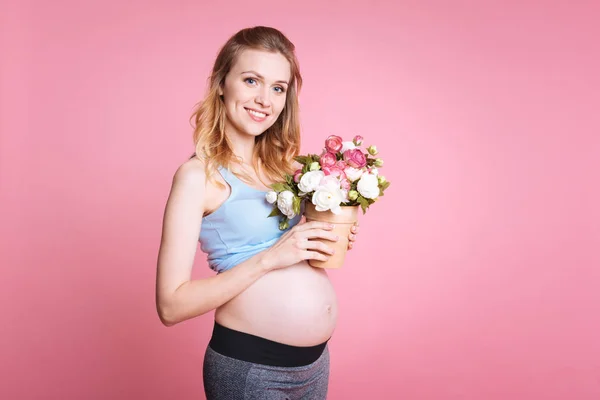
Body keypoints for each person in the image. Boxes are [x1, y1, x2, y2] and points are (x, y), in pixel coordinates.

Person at [155, 26, 360, 400]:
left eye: (278, 88)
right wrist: (272, 258)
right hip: (253, 369)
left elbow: (298, 260)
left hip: (314, 364)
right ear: (221, 83)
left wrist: (326, 238)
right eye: (252, 80)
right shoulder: (198, 176)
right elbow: (171, 305)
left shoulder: (286, 170)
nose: (264, 99)